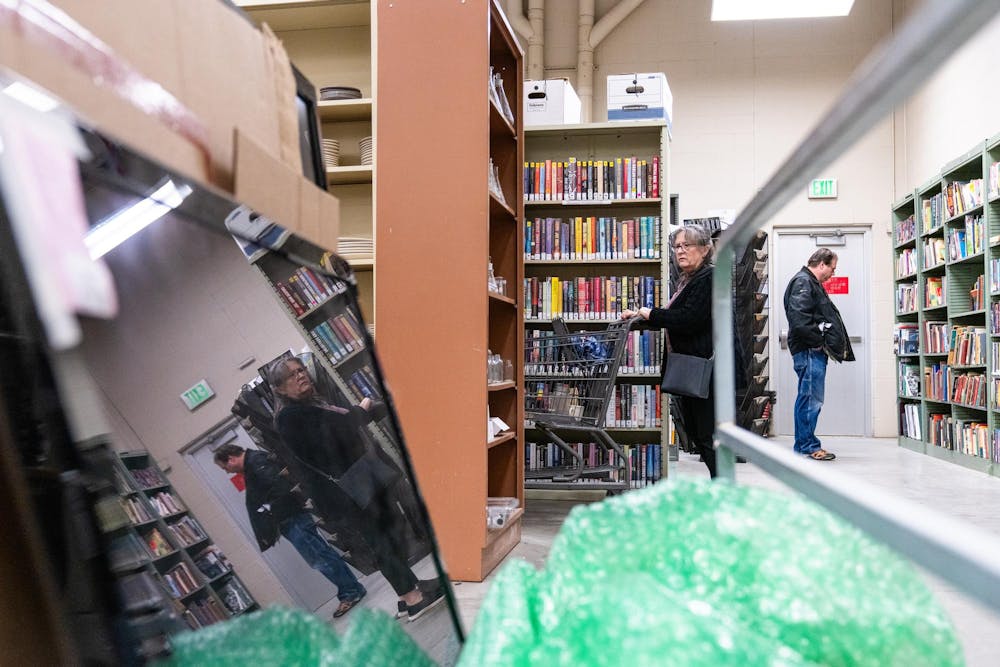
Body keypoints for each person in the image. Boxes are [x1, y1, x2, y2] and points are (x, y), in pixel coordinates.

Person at [267, 357, 445, 622]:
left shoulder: (308, 406)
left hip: (357, 482)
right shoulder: (290, 417)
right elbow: (339, 431)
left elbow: (344, 423)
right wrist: (361, 411)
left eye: (301, 370)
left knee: (390, 535)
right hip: (348, 492)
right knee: (382, 540)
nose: (301, 375)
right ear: (280, 389)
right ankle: (413, 599)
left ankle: (405, 594)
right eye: (292, 375)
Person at [213, 443, 368, 618]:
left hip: (292, 518)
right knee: (322, 555)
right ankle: (352, 589)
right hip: (290, 518)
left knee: (320, 558)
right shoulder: (253, 463)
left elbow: (280, 487)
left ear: (231, 459)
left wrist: (267, 509)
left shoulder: (256, 462)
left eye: (224, 467)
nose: (227, 471)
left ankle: (351, 593)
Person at [624, 225, 717, 477]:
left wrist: (651, 313)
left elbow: (690, 319)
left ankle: (724, 491)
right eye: (677, 246)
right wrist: (639, 317)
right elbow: (675, 317)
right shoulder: (689, 280)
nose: (681, 251)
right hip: (691, 366)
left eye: (687, 246)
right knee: (699, 433)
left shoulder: (708, 278)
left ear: (705, 249)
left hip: (703, 371)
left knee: (706, 434)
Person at [782, 247, 855, 461]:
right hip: (809, 351)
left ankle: (803, 443)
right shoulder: (804, 282)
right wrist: (818, 343)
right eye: (832, 268)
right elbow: (799, 320)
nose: (834, 273)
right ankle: (807, 445)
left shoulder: (809, 282)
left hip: (810, 350)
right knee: (811, 400)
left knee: (809, 398)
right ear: (821, 264)